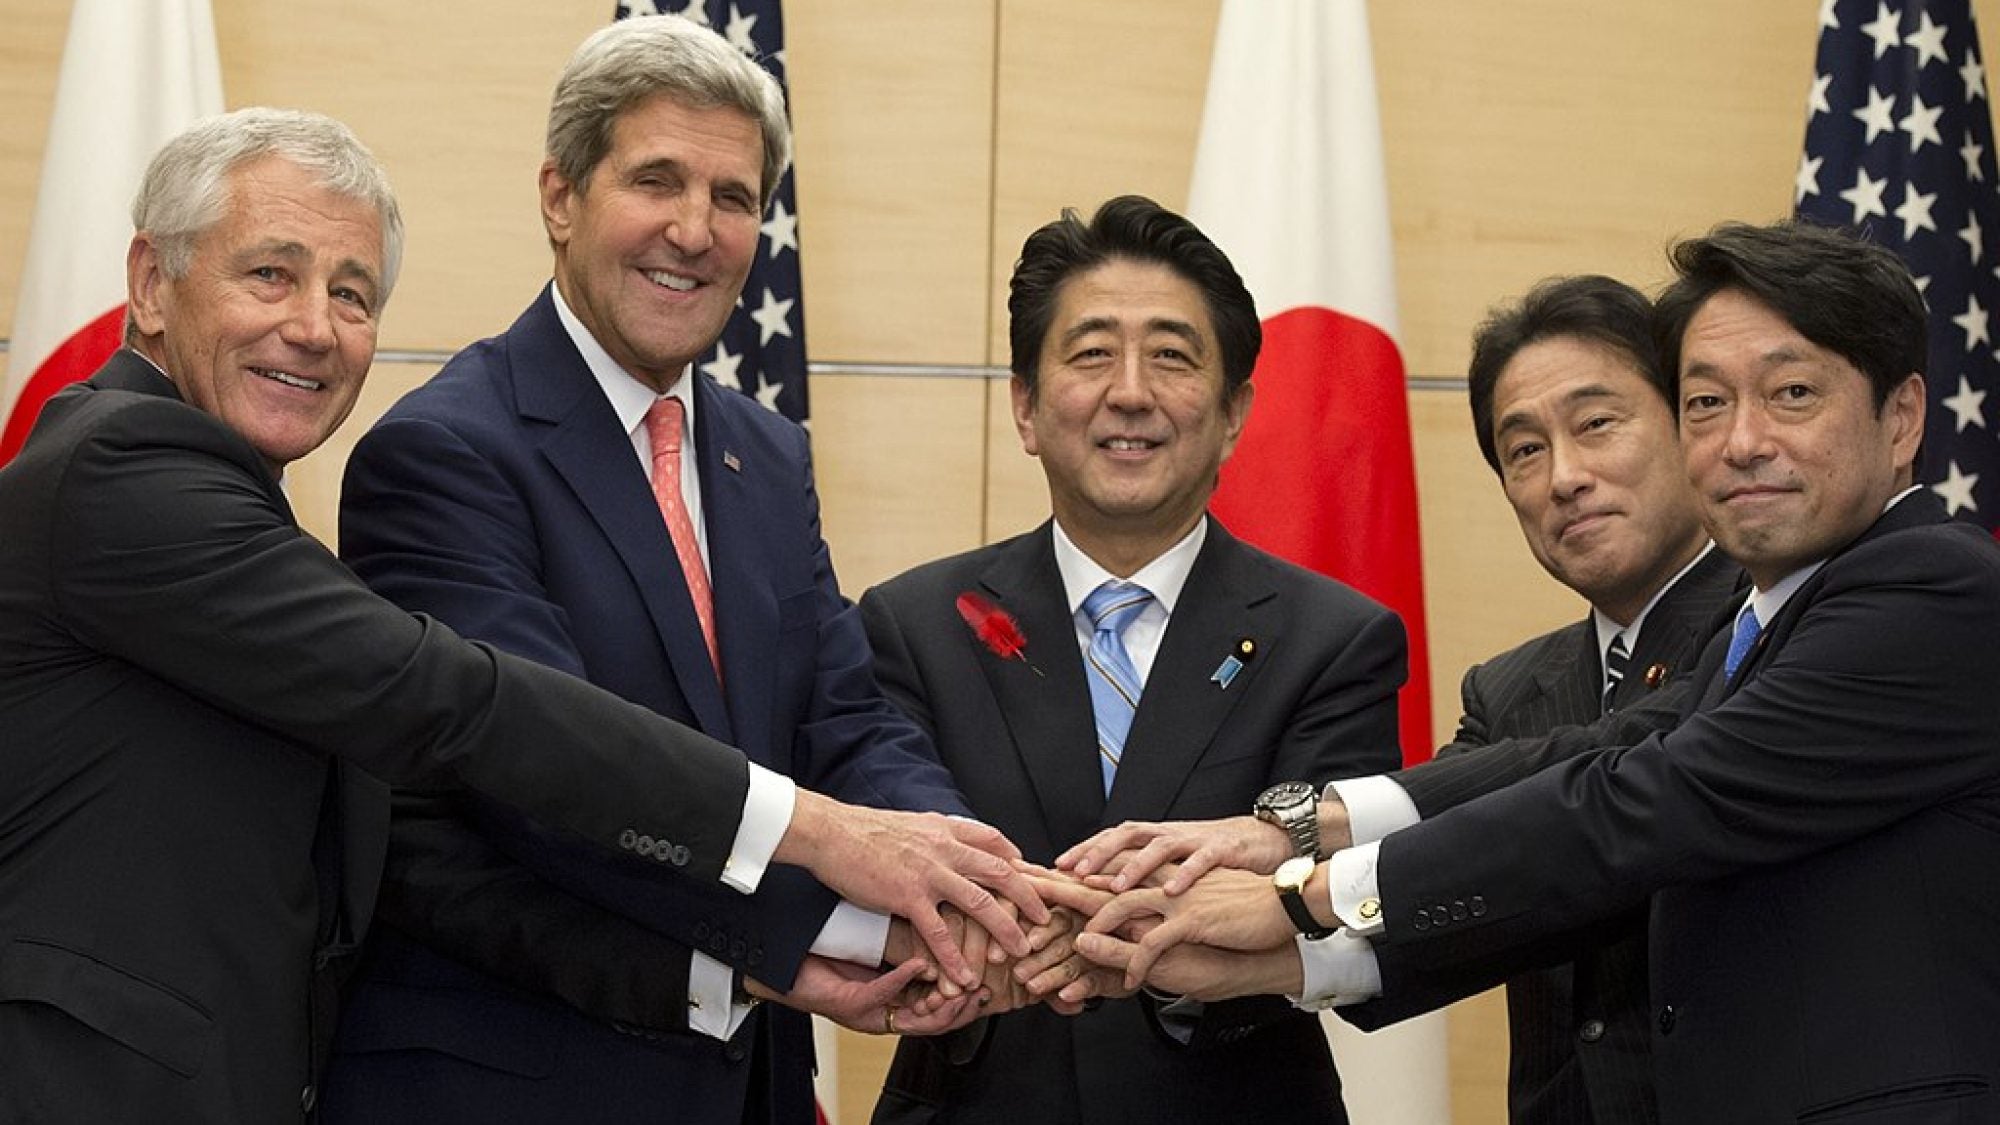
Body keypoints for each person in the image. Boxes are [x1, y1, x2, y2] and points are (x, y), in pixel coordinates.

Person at [0, 106, 1039, 1125]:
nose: (314, 327)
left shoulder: (234, 513)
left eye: (352, 293)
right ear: (150, 284)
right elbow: (452, 699)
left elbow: (411, 855)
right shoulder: (121, 469)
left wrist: (775, 967)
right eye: (270, 274)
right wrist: (817, 833)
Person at [1075, 220, 2000, 1124]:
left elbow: (1646, 798)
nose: (1743, 440)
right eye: (1708, 403)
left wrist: (1307, 894)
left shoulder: (1935, 586)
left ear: (1903, 415)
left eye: (1791, 393)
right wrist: (1293, 850)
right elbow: (1613, 749)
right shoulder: (1753, 632)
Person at [322, 15, 1024, 1125]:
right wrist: (856, 917)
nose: (695, 231)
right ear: (561, 197)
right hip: (518, 1085)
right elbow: (544, 784)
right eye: (656, 180)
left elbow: (845, 720)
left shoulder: (765, 450)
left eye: (734, 198)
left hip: (747, 1087)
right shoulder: (445, 452)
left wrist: (958, 876)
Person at [857, 195, 1407, 1125]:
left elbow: (1337, 905)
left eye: (1171, 355)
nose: (1131, 391)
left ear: (1234, 413)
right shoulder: (914, 624)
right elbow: (889, 882)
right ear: (1027, 407)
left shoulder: (1335, 639)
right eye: (1091, 351)